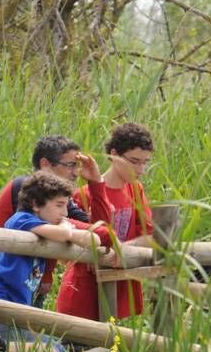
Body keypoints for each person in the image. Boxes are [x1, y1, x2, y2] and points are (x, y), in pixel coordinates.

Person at [0, 172, 112, 352]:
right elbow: (64, 234)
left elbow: (94, 239)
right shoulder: (20, 219)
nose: (65, 213)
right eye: (59, 205)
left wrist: (70, 231)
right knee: (48, 351)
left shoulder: (50, 228)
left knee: (51, 348)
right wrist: (68, 230)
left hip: (9, 313)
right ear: (36, 204)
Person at [0, 135, 110, 306]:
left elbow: (100, 228)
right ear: (45, 164)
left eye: (77, 166)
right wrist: (79, 232)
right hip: (3, 286)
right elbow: (100, 233)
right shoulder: (26, 189)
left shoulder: (59, 202)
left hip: (29, 285)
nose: (76, 172)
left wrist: (96, 182)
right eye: (70, 165)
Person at [56, 123, 154, 322]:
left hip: (121, 291)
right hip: (84, 293)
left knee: (115, 349)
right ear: (114, 154)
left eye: (145, 162)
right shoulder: (83, 195)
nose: (141, 169)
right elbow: (66, 250)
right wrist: (111, 251)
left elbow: (150, 237)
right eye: (134, 161)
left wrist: (120, 250)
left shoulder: (136, 191)